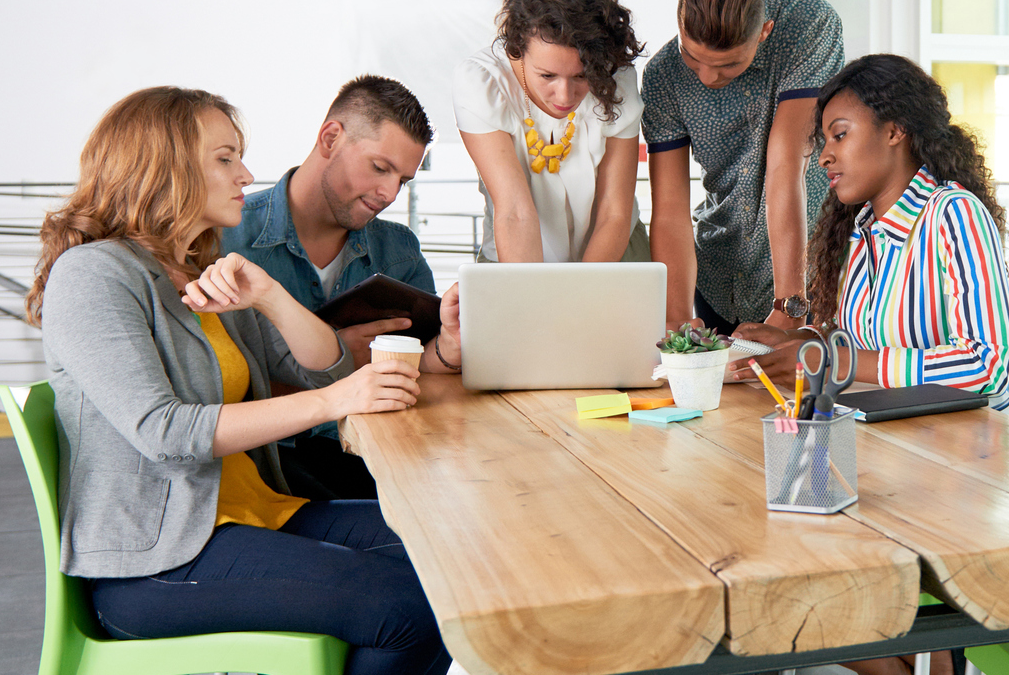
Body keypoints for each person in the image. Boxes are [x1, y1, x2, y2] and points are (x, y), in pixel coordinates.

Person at [25, 86, 452, 675]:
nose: (246, 174)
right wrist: (334, 399)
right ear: (163, 164)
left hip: (257, 514)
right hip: (155, 564)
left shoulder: (204, 270)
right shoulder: (94, 274)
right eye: (225, 158)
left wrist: (272, 296)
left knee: (454, 556)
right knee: (409, 606)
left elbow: (320, 365)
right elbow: (165, 430)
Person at [732, 55, 1009, 675]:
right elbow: (851, 346)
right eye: (822, 142)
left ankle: (938, 658)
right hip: (887, 455)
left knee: (798, 583)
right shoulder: (858, 231)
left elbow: (987, 366)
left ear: (895, 130)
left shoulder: (952, 214)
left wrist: (834, 357)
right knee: (773, 559)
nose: (825, 156)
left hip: (961, 469)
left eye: (839, 134)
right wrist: (787, 343)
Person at [221, 75, 462, 500]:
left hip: (382, 456)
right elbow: (210, 400)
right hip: (269, 468)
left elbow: (419, 370)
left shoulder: (398, 250)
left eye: (403, 180)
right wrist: (334, 364)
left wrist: (446, 349)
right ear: (330, 138)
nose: (389, 193)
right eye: (380, 167)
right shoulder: (226, 242)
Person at [641, 0, 844, 333]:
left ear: (764, 32)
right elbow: (669, 210)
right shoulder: (663, 76)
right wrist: (676, 320)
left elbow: (786, 165)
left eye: (728, 65)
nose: (707, 77)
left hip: (810, 279)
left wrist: (789, 307)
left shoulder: (809, 25)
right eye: (692, 58)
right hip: (719, 280)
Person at [453, 0, 649, 263]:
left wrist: (579, 293)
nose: (565, 96)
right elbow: (514, 212)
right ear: (518, 49)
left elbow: (614, 211)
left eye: (581, 76)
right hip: (515, 254)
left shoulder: (616, 75)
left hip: (613, 251)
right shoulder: (481, 82)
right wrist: (533, 300)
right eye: (547, 76)